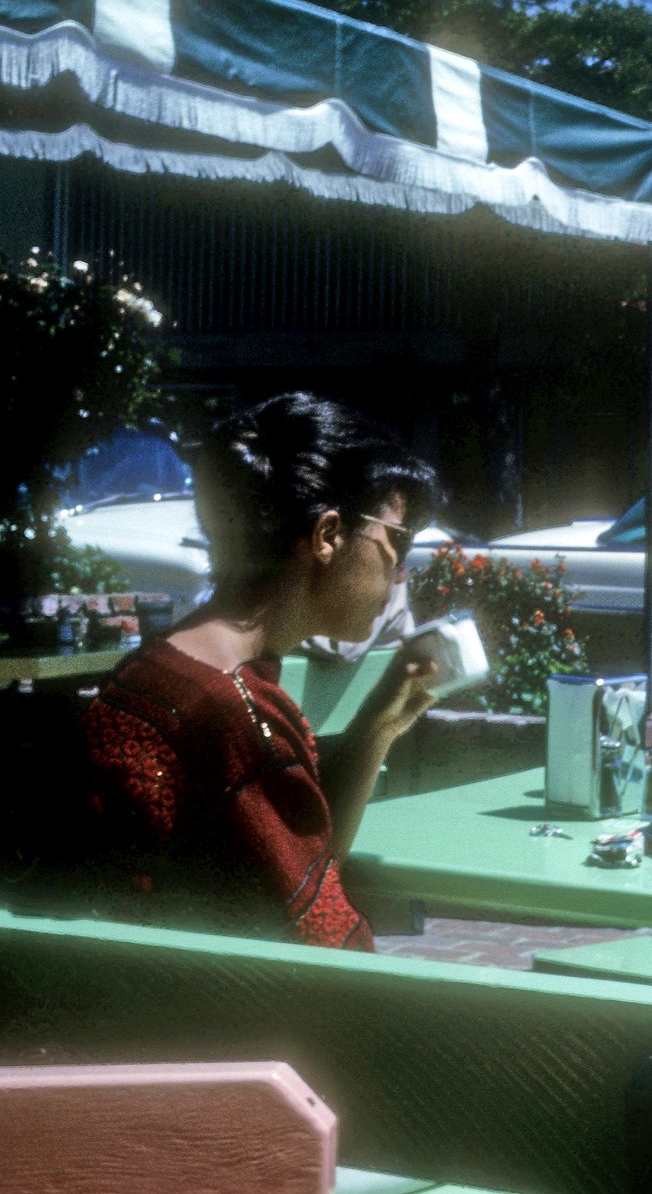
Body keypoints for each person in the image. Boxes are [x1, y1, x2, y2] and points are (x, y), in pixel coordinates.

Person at [66, 393, 443, 949]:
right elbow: (324, 941)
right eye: (398, 540)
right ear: (329, 535)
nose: (402, 571)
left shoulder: (161, 668)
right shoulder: (233, 711)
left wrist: (378, 728)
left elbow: (290, 866)